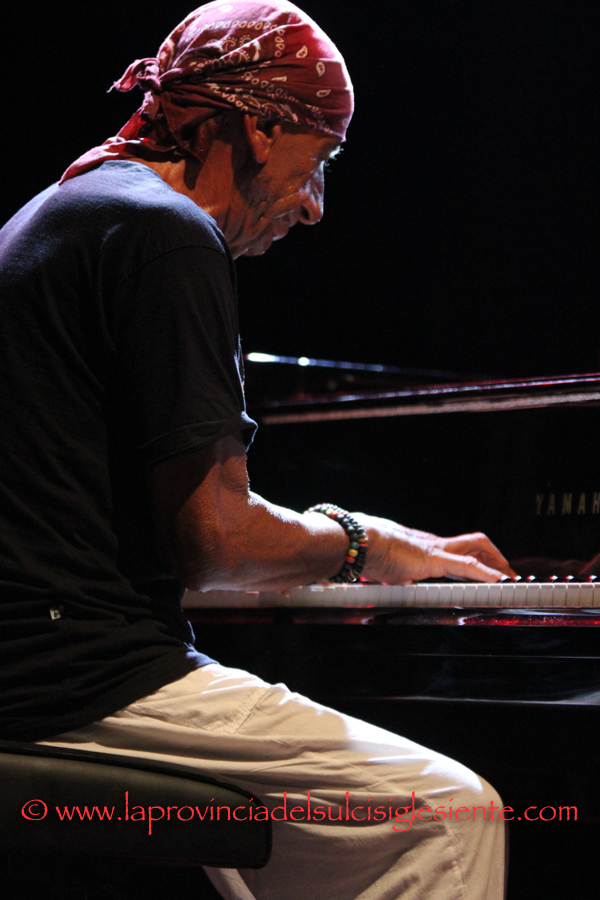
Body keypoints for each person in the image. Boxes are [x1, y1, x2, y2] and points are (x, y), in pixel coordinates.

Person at [0, 2, 509, 897]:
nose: (314, 207)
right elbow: (217, 543)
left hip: (37, 665)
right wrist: (367, 545)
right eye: (321, 163)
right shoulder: (164, 233)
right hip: (74, 680)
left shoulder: (63, 211)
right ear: (259, 128)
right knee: (449, 813)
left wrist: (329, 545)